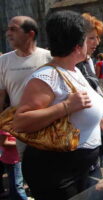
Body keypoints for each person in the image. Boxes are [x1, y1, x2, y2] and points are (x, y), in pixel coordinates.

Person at [12, 11, 103, 200]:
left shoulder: (74, 70)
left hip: (82, 167)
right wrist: (66, 107)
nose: (93, 44)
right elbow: (20, 122)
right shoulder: (47, 76)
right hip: (56, 173)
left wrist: (101, 123)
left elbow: (82, 109)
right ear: (78, 45)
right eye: (89, 39)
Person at [0, 15, 52, 200]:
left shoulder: (48, 57)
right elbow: (1, 96)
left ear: (30, 34)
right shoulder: (4, 61)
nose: (8, 33)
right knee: (29, 172)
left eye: (13, 29)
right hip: (21, 129)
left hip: (50, 127)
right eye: (8, 29)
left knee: (52, 172)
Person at [76, 13, 103, 96]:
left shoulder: (89, 61)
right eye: (92, 38)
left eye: (98, 37)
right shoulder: (72, 65)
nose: (97, 42)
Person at [0, 130, 27, 200]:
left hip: (11, 158)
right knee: (17, 185)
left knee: (14, 182)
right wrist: (23, 142)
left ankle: (12, 196)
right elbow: (4, 143)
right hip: (13, 159)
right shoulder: (6, 127)